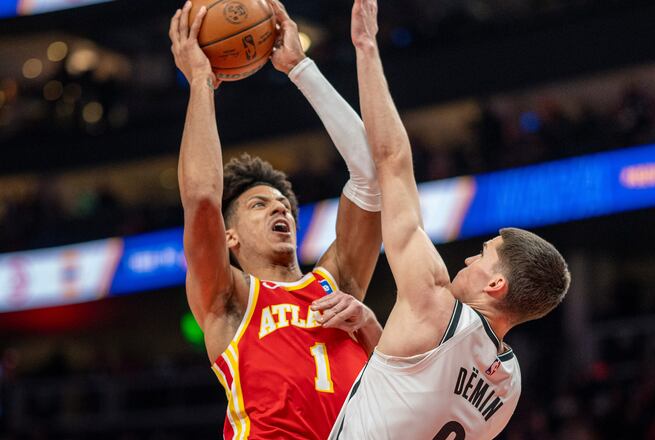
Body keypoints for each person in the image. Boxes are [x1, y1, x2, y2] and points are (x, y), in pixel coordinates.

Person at [329, 0, 572, 438]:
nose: (467, 262)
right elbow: (413, 388)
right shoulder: (508, 386)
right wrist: (370, 327)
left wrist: (365, 47)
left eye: (482, 256)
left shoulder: (433, 304)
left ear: (496, 285)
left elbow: (392, 162)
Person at [168, 1, 384, 438]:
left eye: (282, 204)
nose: (280, 208)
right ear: (229, 237)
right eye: (259, 205)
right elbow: (202, 201)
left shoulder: (336, 285)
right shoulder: (229, 299)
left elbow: (371, 178)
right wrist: (201, 84)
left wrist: (301, 68)